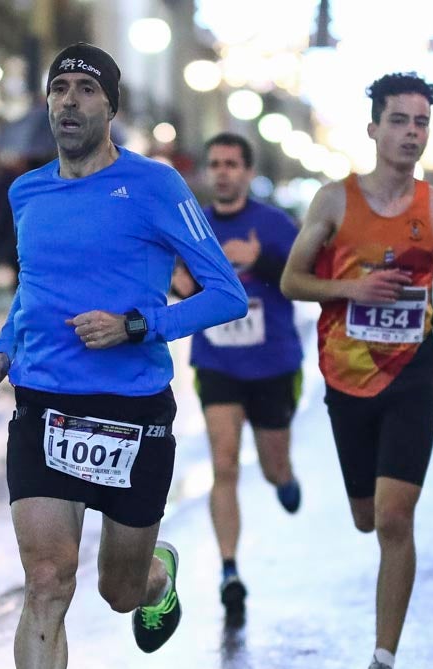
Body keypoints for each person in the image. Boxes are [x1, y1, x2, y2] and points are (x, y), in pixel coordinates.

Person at [0, 43, 246, 669]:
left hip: (131, 412)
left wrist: (138, 324)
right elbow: (33, 295)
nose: (68, 101)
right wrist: (2, 352)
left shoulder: (155, 186)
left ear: (110, 107)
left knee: (117, 591)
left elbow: (224, 294)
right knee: (48, 579)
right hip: (46, 408)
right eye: (58, 87)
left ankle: (156, 573)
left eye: (85, 88)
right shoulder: (27, 191)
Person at [281, 72, 433, 669]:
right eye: (399, 120)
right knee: (366, 516)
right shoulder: (333, 202)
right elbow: (292, 280)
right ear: (373, 128)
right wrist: (352, 292)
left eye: (421, 122)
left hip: (412, 373)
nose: (411, 133)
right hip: (347, 378)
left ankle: (382, 666)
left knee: (396, 519)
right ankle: (382, 646)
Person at [170, 132, 303, 614]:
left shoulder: (275, 225)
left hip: (273, 363)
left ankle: (284, 477)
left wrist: (261, 260)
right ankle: (229, 569)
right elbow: (184, 286)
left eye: (232, 163)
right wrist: (180, 286)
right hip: (219, 361)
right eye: (215, 163)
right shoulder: (194, 226)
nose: (223, 171)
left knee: (271, 467)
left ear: (247, 172)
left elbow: (304, 277)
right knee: (223, 465)